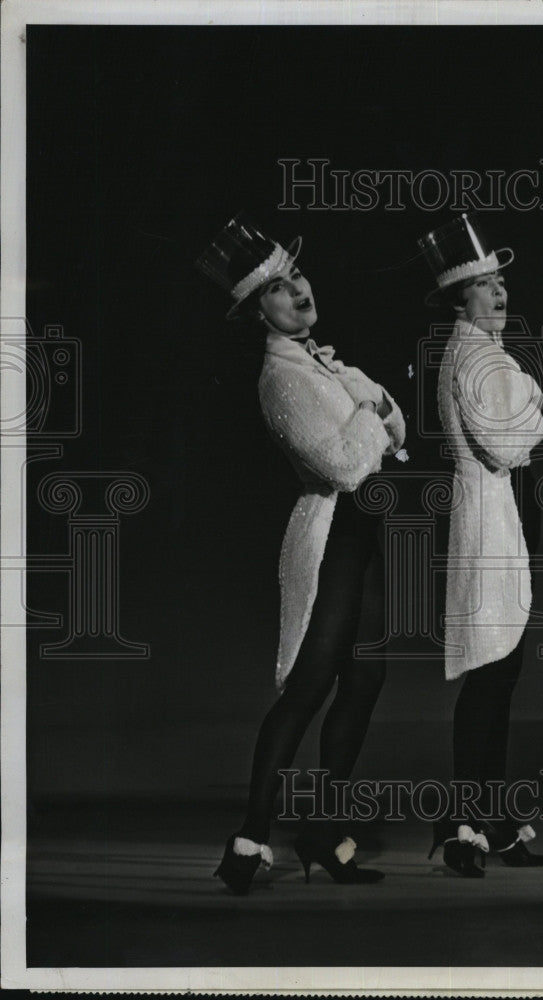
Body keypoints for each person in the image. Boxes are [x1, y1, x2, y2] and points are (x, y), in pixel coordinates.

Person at [196, 214, 405, 891]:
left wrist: (371, 407)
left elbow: (400, 429)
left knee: (366, 678)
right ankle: (252, 837)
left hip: (361, 535)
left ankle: (320, 829)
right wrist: (369, 408)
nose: (299, 292)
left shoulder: (322, 361)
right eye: (280, 290)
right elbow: (348, 465)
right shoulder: (282, 378)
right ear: (259, 310)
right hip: (332, 534)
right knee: (311, 686)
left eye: (298, 277)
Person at [417, 213, 543, 877]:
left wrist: (523, 399)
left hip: (492, 516)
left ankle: (486, 817)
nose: (498, 293)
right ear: (457, 299)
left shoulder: (477, 354)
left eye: (500, 282)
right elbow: (508, 445)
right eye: (482, 285)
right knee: (491, 677)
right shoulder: (479, 357)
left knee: (498, 677)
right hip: (486, 520)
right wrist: (533, 398)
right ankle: (465, 820)